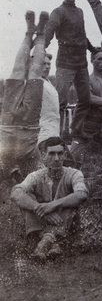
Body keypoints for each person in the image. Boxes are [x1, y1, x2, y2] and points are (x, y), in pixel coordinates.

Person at [11, 137, 88, 260]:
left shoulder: (74, 174)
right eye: (51, 154)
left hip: (64, 221)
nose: (56, 159)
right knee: (28, 197)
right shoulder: (36, 176)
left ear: (65, 156)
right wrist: (39, 209)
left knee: (71, 200)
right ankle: (54, 243)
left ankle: (43, 245)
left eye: (60, 153)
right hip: (42, 220)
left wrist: (53, 205)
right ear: (44, 156)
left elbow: (82, 193)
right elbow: (16, 193)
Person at [0, 11, 48, 179]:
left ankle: (29, 33)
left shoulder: (3, 165)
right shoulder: (31, 163)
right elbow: (43, 173)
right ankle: (41, 34)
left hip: (7, 123)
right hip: (30, 126)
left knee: (18, 70)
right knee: (35, 72)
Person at [45, 0, 95, 139]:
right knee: (60, 101)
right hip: (65, 63)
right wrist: (42, 47)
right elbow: (49, 30)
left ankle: (76, 130)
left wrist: (93, 49)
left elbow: (82, 36)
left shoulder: (80, 11)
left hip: (81, 63)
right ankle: (55, 136)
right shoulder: (58, 12)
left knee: (85, 100)